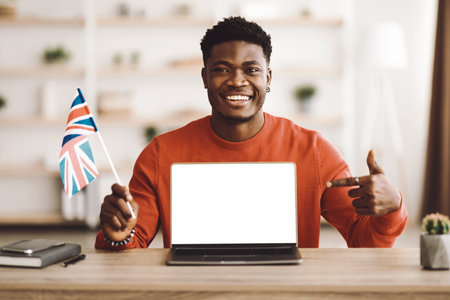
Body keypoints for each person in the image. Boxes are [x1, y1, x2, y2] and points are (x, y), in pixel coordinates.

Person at [95, 16, 407, 249]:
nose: (237, 80)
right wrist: (115, 235)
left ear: (268, 77)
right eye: (222, 69)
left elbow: (365, 241)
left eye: (251, 69)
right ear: (205, 77)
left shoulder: (313, 151)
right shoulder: (161, 153)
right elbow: (129, 243)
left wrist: (391, 208)